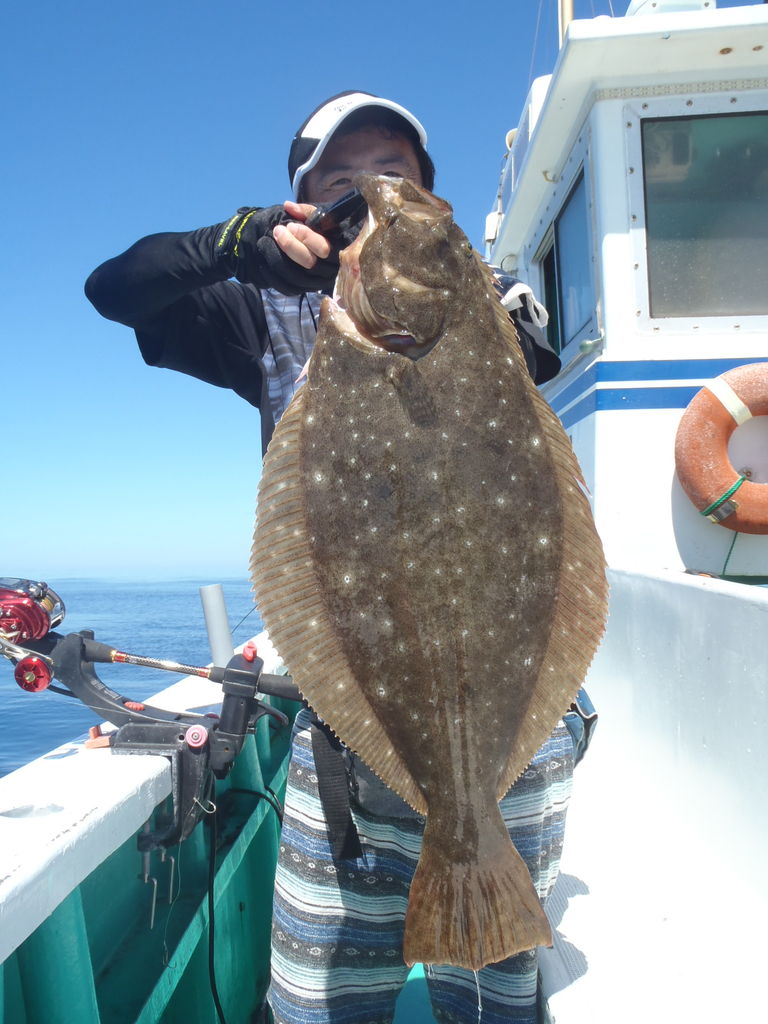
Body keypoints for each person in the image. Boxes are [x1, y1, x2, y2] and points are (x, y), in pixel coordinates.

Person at [85, 91, 572, 1024]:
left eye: (395, 180)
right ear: (305, 209)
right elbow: (114, 290)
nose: (373, 199)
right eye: (344, 186)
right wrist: (232, 247)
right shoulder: (264, 314)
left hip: (510, 716)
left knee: (504, 1000)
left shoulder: (495, 309)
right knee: (319, 1005)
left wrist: (480, 307)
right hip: (353, 718)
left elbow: (532, 384)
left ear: (437, 206)